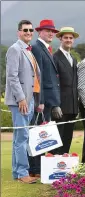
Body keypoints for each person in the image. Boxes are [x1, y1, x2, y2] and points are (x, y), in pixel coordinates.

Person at [5, 20, 39, 183]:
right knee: (22, 137)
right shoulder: (15, 49)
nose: (28, 32)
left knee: (21, 136)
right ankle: (22, 173)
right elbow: (12, 76)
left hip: (30, 99)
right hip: (21, 101)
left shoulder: (28, 51)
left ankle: (17, 173)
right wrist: (21, 99)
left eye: (31, 30)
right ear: (18, 32)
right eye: (25, 30)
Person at [30, 19, 60, 177]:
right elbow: (38, 77)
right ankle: (35, 169)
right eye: (48, 31)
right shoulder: (36, 48)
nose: (51, 34)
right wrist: (39, 100)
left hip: (48, 100)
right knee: (38, 135)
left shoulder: (46, 48)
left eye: (53, 32)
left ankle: (39, 168)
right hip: (42, 101)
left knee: (43, 135)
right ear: (39, 32)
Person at [52, 27, 80, 154]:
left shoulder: (73, 59)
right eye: (66, 38)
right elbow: (54, 83)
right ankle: (55, 168)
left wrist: (76, 106)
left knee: (68, 138)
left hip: (72, 106)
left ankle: (64, 168)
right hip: (60, 106)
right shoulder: (55, 58)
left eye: (71, 38)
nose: (69, 40)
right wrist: (55, 105)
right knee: (58, 138)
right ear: (60, 39)